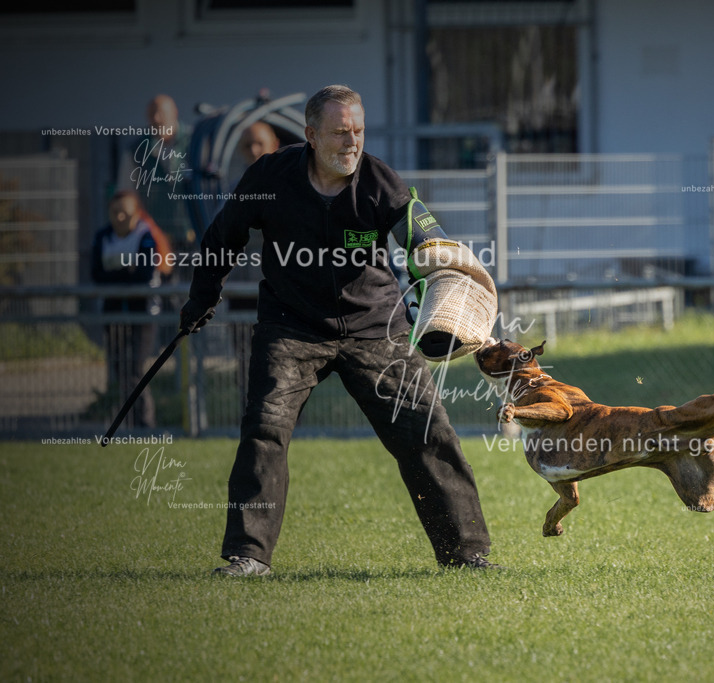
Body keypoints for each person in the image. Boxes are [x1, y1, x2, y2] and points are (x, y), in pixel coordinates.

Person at [179, 85, 499, 576]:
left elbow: (427, 241)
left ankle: (467, 554)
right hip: (291, 326)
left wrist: (450, 282)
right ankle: (249, 556)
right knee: (264, 431)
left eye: (358, 131)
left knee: (428, 431)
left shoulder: (380, 182)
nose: (352, 142)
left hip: (375, 327)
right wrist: (202, 297)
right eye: (340, 132)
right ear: (311, 135)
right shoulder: (269, 177)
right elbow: (224, 236)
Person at [91, 190, 170, 429]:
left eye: (124, 213)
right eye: (114, 212)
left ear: (136, 214)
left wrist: (117, 275)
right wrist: (128, 271)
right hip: (113, 313)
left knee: (135, 370)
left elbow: (143, 275)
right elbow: (97, 275)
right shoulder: (103, 237)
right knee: (121, 370)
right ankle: (132, 424)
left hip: (143, 314)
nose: (119, 217)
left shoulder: (146, 236)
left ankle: (144, 425)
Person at [117, 94, 195, 251]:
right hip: (154, 238)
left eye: (161, 113)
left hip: (194, 233)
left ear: (175, 113)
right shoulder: (136, 150)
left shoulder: (195, 142)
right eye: (152, 114)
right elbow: (126, 194)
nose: (157, 119)